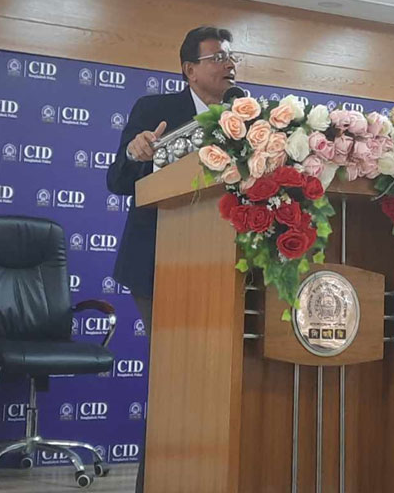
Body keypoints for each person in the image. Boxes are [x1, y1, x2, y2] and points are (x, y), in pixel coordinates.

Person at [106, 25, 240, 493]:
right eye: (218, 57)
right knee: (175, 376)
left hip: (226, 267)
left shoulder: (247, 112)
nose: (229, 64)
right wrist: (135, 151)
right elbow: (118, 181)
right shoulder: (155, 109)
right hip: (159, 265)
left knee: (215, 381)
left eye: (231, 56)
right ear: (189, 69)